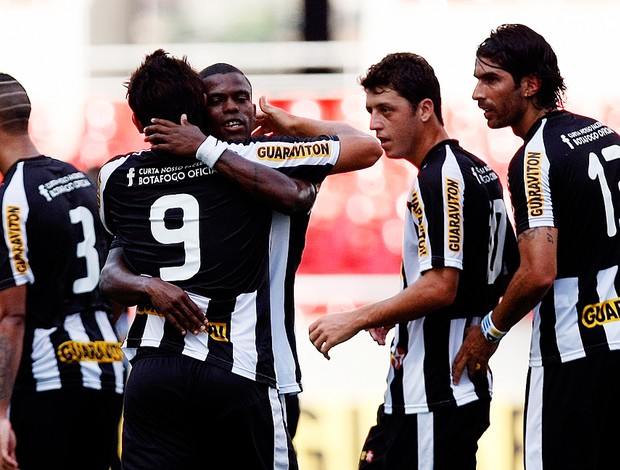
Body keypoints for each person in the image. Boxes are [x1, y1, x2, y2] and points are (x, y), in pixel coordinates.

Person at [98, 50, 381, 469]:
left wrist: (289, 124)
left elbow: (115, 262)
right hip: (248, 365)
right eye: (217, 100)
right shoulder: (259, 157)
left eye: (242, 97)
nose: (232, 107)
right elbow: (365, 146)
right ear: (196, 112)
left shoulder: (117, 175)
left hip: (159, 366)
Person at [307, 52, 518, 469]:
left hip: (434, 394)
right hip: (440, 392)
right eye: (370, 111)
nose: (374, 124)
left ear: (425, 110)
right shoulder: (478, 171)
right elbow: (505, 271)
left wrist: (355, 318)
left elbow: (442, 285)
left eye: (387, 110)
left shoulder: (439, 178)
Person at [451, 24, 620, 470]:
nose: (476, 93)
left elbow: (539, 272)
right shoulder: (605, 135)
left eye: (490, 80)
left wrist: (488, 332)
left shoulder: (533, 157)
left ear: (530, 85)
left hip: (572, 351)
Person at [0, 73, 125, 469]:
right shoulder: (80, 182)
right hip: (108, 369)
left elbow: (12, 316)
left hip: (48, 380)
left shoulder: (13, 197)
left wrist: (1, 412)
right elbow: (117, 282)